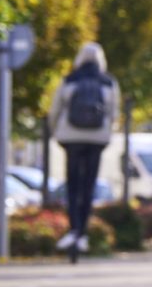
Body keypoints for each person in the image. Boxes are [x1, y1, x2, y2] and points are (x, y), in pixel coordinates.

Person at [50, 43, 119, 258]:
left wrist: (56, 132)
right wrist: (108, 133)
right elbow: (114, 113)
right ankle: (83, 232)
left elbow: (55, 110)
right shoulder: (109, 82)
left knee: (73, 184)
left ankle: (73, 228)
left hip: (71, 138)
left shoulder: (69, 79)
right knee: (89, 185)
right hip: (97, 138)